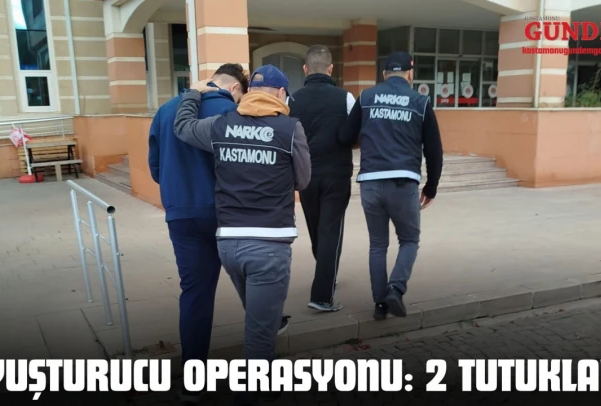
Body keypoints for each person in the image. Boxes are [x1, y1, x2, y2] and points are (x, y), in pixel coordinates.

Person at [173, 65, 311, 405]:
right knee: (259, 337)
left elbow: (183, 128)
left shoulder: (222, 124)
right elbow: (303, 180)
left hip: (229, 244)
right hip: (269, 246)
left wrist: (193, 93)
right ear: (281, 94)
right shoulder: (290, 128)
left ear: (249, 93)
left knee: (260, 319)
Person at [148, 63, 248, 405]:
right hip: (228, 213)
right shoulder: (234, 112)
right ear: (235, 88)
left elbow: (156, 169)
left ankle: (193, 383)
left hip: (183, 214)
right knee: (254, 282)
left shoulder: (166, 110)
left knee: (195, 294)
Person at [338, 51, 443, 320]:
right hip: (403, 183)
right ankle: (395, 288)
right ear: (410, 74)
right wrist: (431, 187)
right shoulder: (420, 101)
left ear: (384, 74)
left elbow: (345, 136)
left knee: (377, 245)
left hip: (370, 182)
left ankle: (380, 305)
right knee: (409, 240)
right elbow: (434, 150)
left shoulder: (366, 97)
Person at [288, 45, 355, 312]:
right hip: (336, 173)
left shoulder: (292, 100)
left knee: (317, 229)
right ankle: (322, 296)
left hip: (305, 176)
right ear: (331, 68)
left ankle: (326, 276)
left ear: (305, 69)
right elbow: (354, 133)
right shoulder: (346, 98)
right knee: (330, 231)